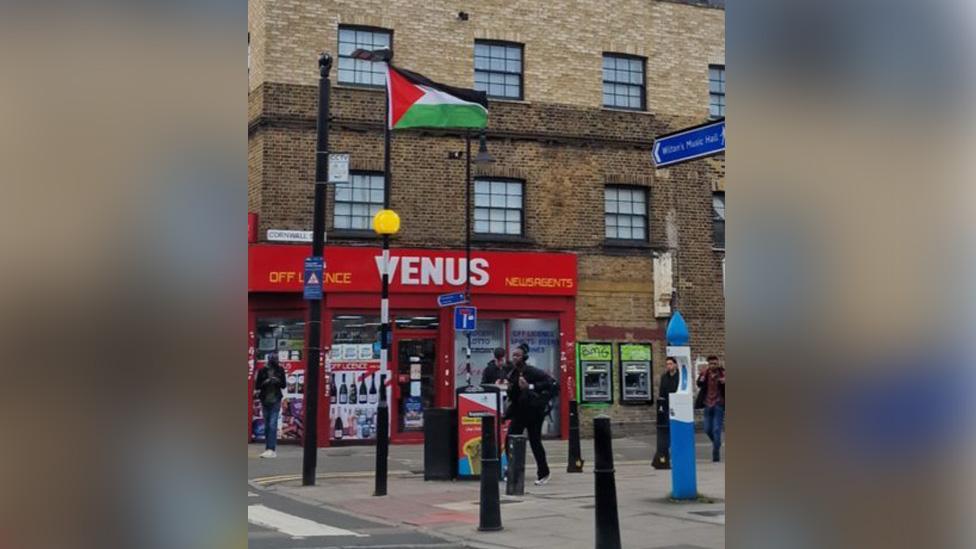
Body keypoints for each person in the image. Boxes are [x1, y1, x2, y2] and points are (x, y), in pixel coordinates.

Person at [504, 344, 556, 485]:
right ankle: (512, 470)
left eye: (518, 355)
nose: (514, 358)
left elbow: (551, 383)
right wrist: (507, 388)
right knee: (509, 440)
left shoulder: (533, 372)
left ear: (524, 357)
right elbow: (513, 396)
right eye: (513, 355)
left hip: (534, 412)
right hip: (520, 412)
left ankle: (543, 474)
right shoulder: (512, 373)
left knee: (535, 442)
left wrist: (530, 386)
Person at [254, 354, 287, 458]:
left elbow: (284, 385)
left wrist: (277, 381)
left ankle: (271, 449)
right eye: (274, 359)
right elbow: (257, 385)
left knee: (272, 424)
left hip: (276, 400)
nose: (276, 361)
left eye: (276, 359)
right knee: (267, 425)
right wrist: (266, 382)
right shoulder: (262, 370)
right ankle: (268, 448)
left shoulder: (280, 370)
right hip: (265, 400)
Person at [695, 355, 726, 462]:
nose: (713, 365)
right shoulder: (705, 373)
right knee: (707, 429)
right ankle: (717, 443)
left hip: (719, 404)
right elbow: (699, 384)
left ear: (718, 363)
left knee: (716, 429)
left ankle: (715, 454)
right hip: (708, 404)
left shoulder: (723, 373)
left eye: (715, 363)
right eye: (711, 363)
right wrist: (701, 378)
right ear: (708, 364)